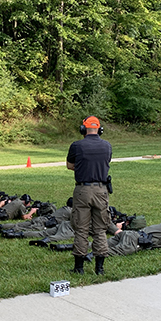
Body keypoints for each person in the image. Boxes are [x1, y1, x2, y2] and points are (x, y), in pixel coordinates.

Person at [66, 115, 112, 275]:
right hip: (101, 190)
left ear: (83, 129)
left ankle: (79, 268)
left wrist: (82, 168)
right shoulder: (107, 146)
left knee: (81, 229)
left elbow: (70, 165)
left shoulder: (77, 145)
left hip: (82, 190)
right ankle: (99, 268)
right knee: (100, 229)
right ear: (100, 130)